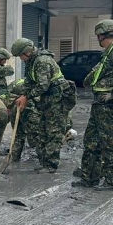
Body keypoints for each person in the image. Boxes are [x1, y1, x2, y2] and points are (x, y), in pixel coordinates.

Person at [72, 19, 113, 191]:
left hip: (110, 105)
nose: (98, 38)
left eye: (98, 35)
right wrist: (88, 80)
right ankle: (89, 178)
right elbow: (98, 72)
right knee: (92, 141)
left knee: (112, 143)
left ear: (102, 35)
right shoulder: (109, 52)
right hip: (99, 104)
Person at [11, 38, 73, 173]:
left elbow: (42, 85)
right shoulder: (31, 62)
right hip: (47, 99)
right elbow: (29, 82)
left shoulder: (42, 61)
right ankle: (44, 162)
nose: (21, 58)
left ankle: (51, 165)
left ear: (27, 52)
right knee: (43, 130)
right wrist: (22, 95)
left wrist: (27, 97)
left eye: (21, 55)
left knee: (53, 132)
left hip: (58, 99)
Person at [8, 78, 37, 162]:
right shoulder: (35, 86)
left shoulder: (15, 84)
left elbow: (8, 102)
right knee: (35, 136)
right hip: (27, 108)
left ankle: (14, 157)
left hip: (17, 107)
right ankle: (42, 159)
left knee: (18, 135)